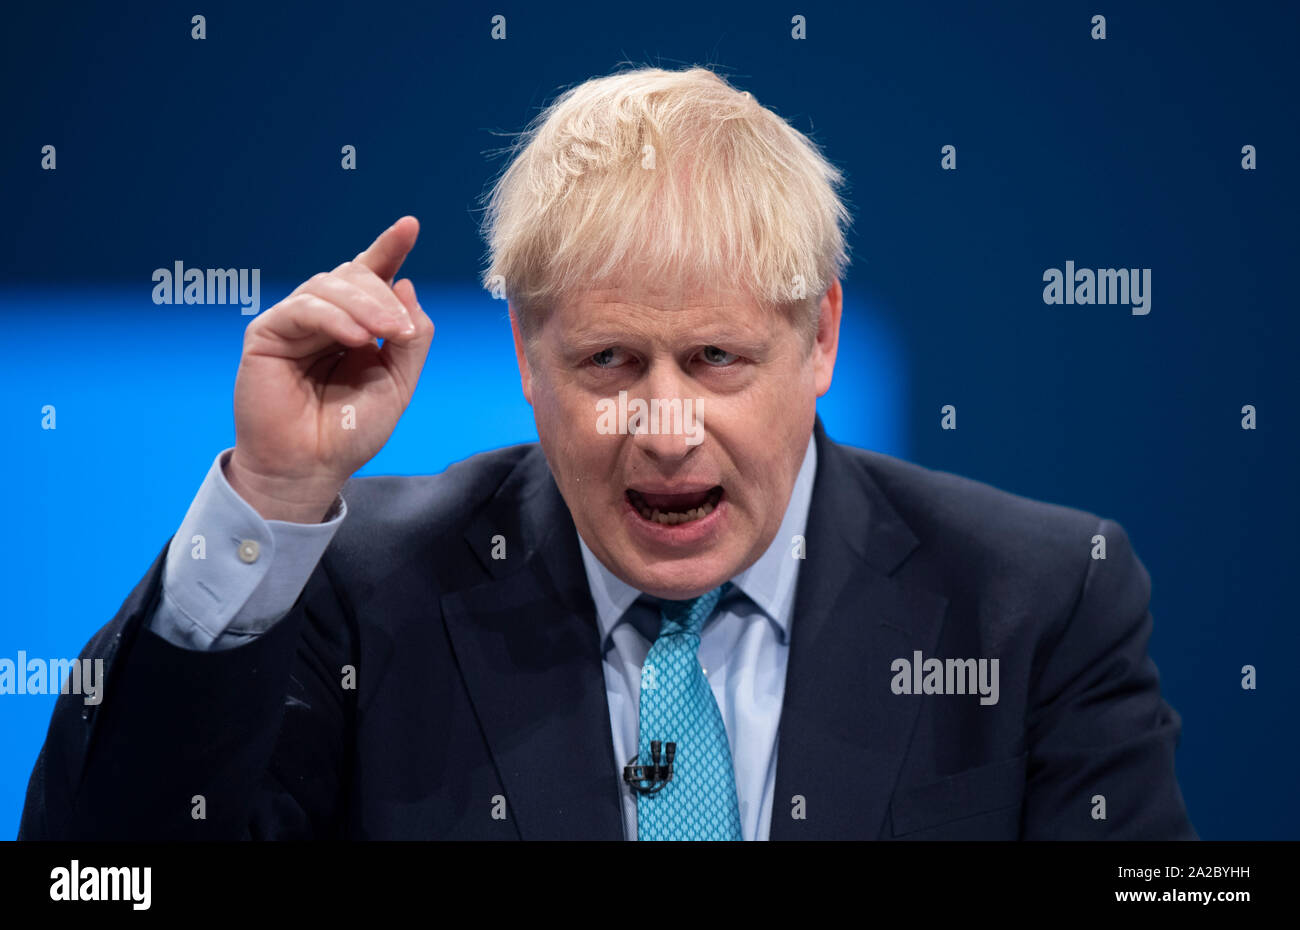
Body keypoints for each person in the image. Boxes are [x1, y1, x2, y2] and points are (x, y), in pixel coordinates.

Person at [19, 66, 1195, 840]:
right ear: (528, 354)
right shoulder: (360, 597)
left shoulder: (1033, 603)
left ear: (820, 336)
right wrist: (271, 497)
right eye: (611, 365)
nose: (666, 427)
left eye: (718, 359)